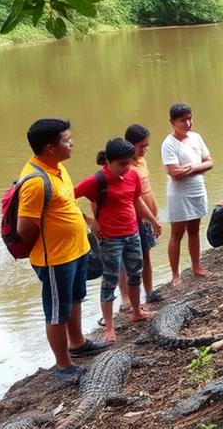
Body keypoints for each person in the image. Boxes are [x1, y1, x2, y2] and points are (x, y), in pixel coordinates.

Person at [18, 119, 109, 380]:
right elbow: (26, 228)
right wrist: (54, 238)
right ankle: (63, 365)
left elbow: (67, 204)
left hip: (76, 250)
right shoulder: (35, 181)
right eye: (66, 140)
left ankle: (78, 343)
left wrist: (88, 223)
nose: (72, 143)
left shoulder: (57, 168)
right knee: (57, 311)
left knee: (76, 299)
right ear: (50, 147)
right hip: (55, 258)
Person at [75, 138, 160, 343]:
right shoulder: (95, 181)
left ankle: (137, 311)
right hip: (110, 238)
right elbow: (67, 200)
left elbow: (136, 200)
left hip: (132, 233)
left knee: (134, 274)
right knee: (110, 280)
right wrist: (89, 221)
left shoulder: (132, 175)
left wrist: (153, 220)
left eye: (129, 162)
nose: (127, 167)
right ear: (108, 162)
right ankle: (110, 327)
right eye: (122, 163)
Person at [161, 103, 213, 287]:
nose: (188, 123)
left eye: (189, 118)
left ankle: (196, 266)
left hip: (197, 190)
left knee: (194, 230)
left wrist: (192, 168)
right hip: (179, 194)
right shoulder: (169, 143)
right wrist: (198, 168)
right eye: (183, 120)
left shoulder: (196, 138)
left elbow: (210, 162)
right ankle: (175, 275)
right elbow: (174, 172)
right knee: (177, 234)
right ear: (172, 122)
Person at [121, 124, 159, 310]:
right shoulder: (124, 166)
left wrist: (153, 215)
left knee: (146, 254)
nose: (144, 149)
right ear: (130, 145)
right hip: (132, 218)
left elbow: (147, 188)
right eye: (141, 146)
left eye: (147, 145)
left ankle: (149, 292)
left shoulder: (142, 162)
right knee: (128, 260)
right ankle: (126, 299)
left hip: (146, 217)